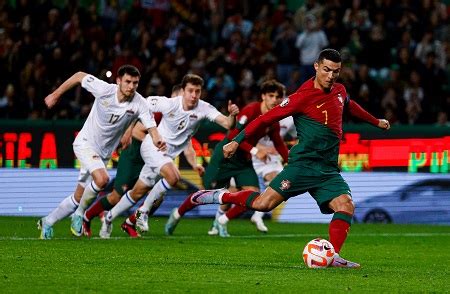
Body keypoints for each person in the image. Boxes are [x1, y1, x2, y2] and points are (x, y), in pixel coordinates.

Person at [166, 49, 390, 268]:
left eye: (336, 71)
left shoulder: (339, 90)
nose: (331, 76)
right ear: (316, 67)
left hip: (327, 169)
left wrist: (375, 122)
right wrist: (236, 141)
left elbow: (350, 105)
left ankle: (333, 256)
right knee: (264, 204)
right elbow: (264, 120)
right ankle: (220, 196)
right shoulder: (300, 98)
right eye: (326, 70)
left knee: (346, 205)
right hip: (302, 166)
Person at [84, 73, 239, 238]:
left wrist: (233, 115)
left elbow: (227, 124)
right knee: (173, 177)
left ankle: (110, 218)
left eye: (197, 91)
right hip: (150, 147)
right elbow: (139, 105)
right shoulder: (168, 103)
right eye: (190, 91)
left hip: (165, 157)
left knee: (138, 192)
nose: (194, 95)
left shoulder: (204, 108)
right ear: (183, 91)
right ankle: (141, 213)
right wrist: (128, 130)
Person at [37, 64, 166, 239]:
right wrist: (55, 94)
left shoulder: (140, 103)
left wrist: (157, 139)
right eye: (128, 82)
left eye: (135, 83)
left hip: (103, 154)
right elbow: (79, 75)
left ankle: (47, 222)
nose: (131, 86)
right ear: (118, 81)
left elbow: (151, 126)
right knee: (102, 179)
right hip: (85, 143)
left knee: (78, 197)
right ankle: (80, 215)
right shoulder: (104, 89)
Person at [167, 79, 289, 237]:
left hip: (243, 162)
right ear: (263, 96)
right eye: (271, 95)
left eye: (278, 97)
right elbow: (232, 136)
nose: (275, 100)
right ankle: (177, 213)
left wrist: (290, 160)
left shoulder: (274, 119)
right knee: (207, 193)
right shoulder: (251, 110)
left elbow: (278, 143)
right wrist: (254, 150)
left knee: (254, 197)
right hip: (225, 157)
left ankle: (221, 220)